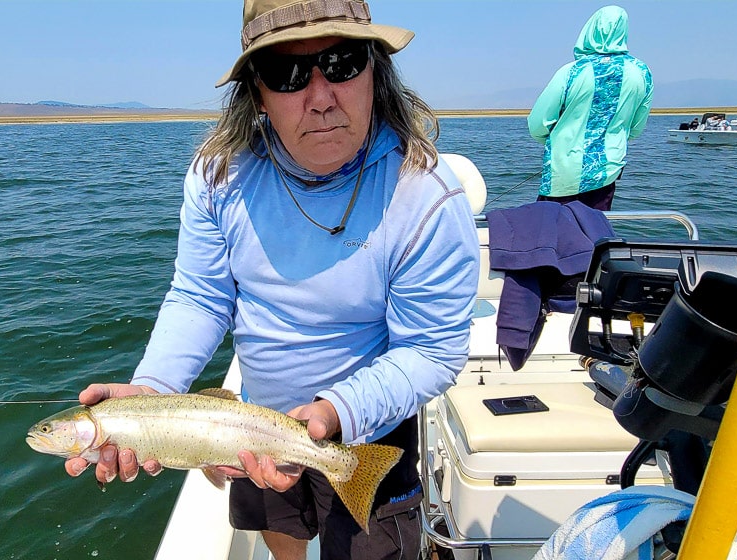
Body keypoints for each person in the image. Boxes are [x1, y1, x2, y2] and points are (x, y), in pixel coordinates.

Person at [62, 1, 480, 558]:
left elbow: (431, 348)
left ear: (375, 70)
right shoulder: (219, 175)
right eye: (287, 74)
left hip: (368, 422)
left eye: (343, 62)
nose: (321, 96)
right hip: (251, 423)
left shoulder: (425, 194)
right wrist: (154, 392)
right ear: (257, 91)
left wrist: (336, 412)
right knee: (280, 530)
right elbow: (200, 295)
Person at [527, 5, 653, 211]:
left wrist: (558, 142)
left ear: (590, 29)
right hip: (607, 171)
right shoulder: (642, 72)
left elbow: (537, 124)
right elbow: (636, 129)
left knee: (552, 232)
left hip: (563, 171)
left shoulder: (572, 72)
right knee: (593, 233)